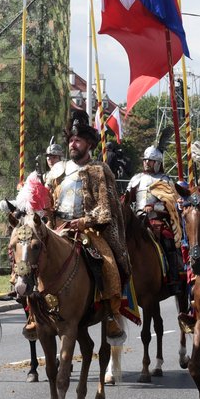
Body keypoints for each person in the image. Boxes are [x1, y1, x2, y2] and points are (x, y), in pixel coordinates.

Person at [43, 109, 129, 343]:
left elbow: (105, 207)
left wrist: (84, 221)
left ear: (89, 143)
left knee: (109, 264)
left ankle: (111, 313)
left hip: (86, 229)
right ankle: (33, 313)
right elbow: (50, 200)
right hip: (57, 227)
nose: (73, 144)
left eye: (77, 140)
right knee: (31, 258)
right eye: (70, 139)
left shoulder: (99, 170)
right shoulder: (57, 172)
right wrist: (43, 205)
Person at [126, 146, 182, 293]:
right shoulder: (136, 179)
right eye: (145, 160)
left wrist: (154, 207)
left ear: (157, 163)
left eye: (150, 161)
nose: (146, 163)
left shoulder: (165, 180)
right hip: (137, 219)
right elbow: (127, 199)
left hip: (157, 221)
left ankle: (174, 278)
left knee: (168, 241)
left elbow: (171, 203)